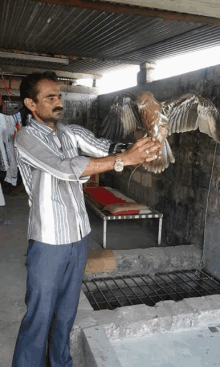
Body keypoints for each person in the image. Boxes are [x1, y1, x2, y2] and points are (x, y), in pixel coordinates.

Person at [12, 71, 161, 367]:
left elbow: (105, 147)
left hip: (78, 238)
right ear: (31, 103)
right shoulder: (25, 138)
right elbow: (64, 167)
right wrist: (123, 161)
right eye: (49, 97)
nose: (58, 102)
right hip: (48, 243)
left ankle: (60, 363)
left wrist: (139, 149)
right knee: (39, 317)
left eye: (59, 96)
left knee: (66, 313)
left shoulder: (70, 133)